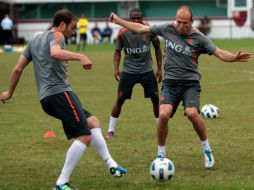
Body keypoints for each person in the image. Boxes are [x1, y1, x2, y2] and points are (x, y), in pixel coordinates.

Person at [109, 5, 251, 168]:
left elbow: (218, 52)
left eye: (185, 23)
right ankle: (161, 154)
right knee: (163, 115)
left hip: (190, 83)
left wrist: (233, 57)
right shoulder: (168, 29)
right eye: (178, 22)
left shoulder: (199, 38)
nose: (181, 26)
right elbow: (141, 28)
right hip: (170, 84)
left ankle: (206, 149)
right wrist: (118, 20)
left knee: (191, 113)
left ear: (192, 21)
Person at [0, 9, 127, 190]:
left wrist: (9, 92)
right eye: (72, 28)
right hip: (59, 93)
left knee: (92, 122)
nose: (73, 32)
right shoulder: (58, 36)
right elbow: (54, 53)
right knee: (84, 136)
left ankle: (112, 165)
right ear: (61, 24)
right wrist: (80, 56)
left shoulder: (34, 40)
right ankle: (61, 183)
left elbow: (17, 69)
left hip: (46, 99)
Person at [107, 8, 162, 138]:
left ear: (142, 18)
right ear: (129, 19)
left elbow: (158, 48)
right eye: (134, 18)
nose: (136, 20)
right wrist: (116, 69)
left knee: (155, 98)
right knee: (120, 99)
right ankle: (110, 130)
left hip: (147, 70)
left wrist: (159, 68)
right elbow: (117, 51)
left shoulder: (150, 31)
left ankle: (160, 127)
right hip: (129, 71)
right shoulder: (122, 33)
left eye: (139, 18)